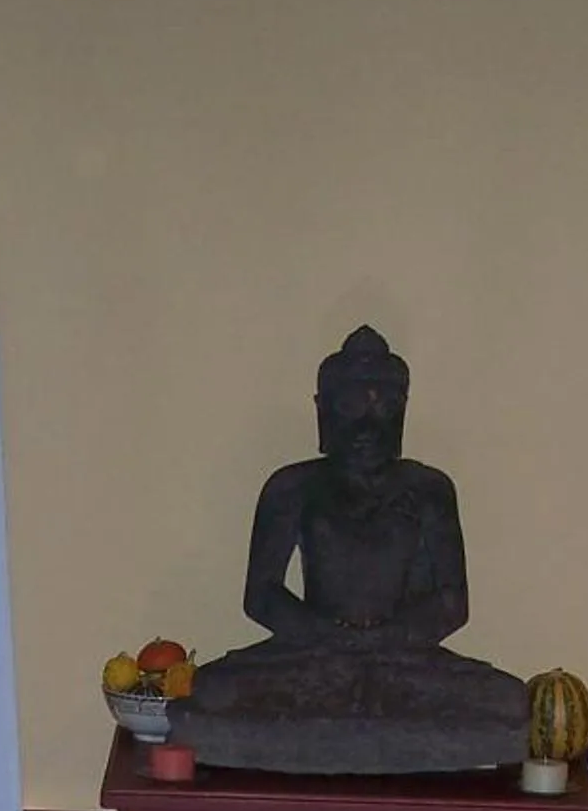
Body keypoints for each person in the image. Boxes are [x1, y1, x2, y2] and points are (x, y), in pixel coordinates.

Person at [169, 327, 530, 773]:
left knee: (509, 700)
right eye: (351, 406)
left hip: (402, 657)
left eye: (384, 407)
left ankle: (354, 717)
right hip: (313, 653)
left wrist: (386, 637)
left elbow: (452, 603)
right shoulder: (293, 487)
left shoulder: (429, 489)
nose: (367, 425)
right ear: (323, 414)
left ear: (401, 414)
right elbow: (261, 594)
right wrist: (327, 635)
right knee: (211, 690)